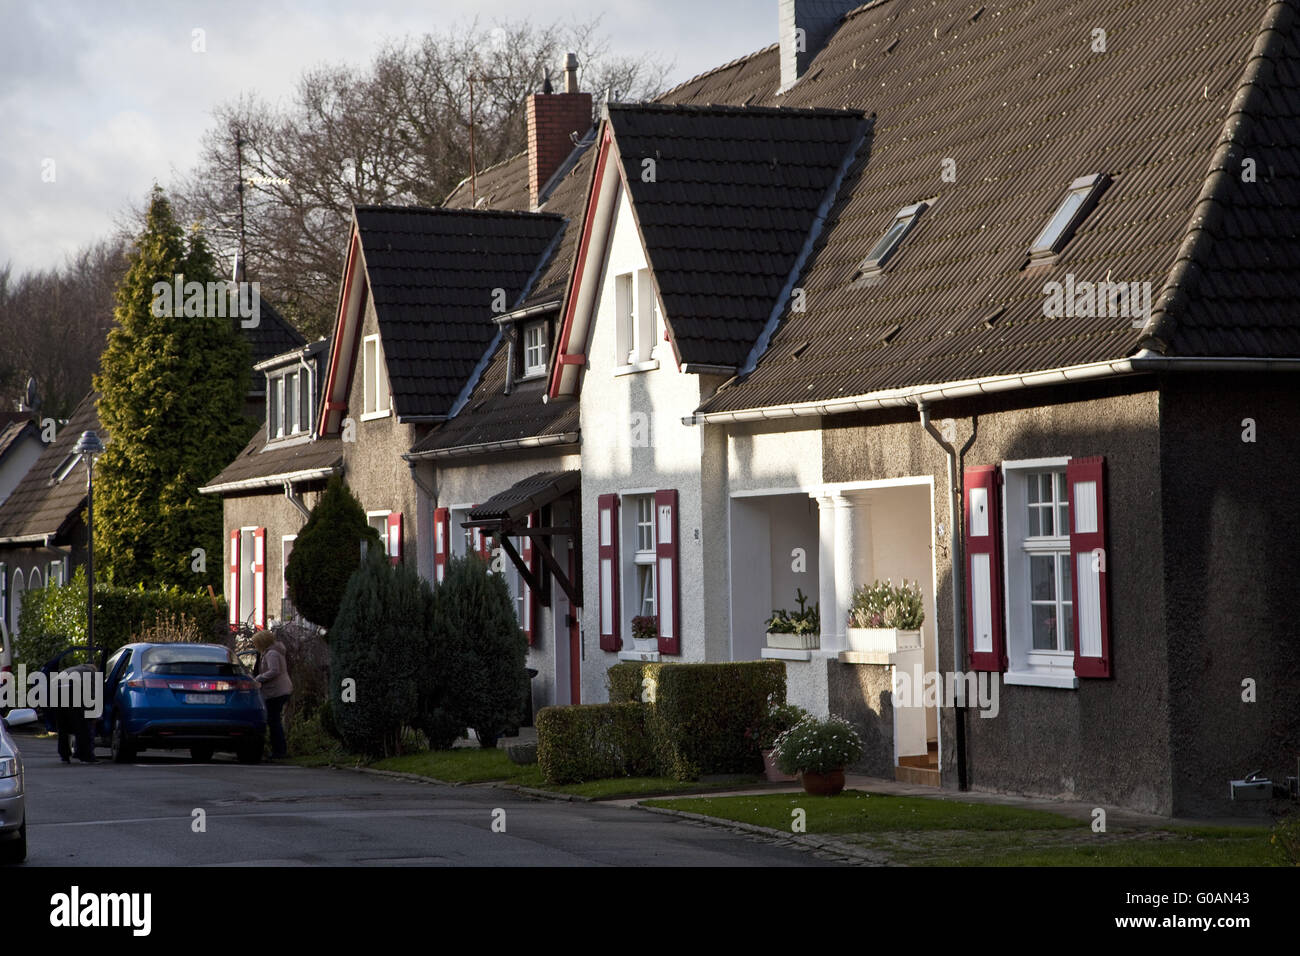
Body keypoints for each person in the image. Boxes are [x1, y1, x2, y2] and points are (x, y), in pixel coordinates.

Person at [252, 630, 292, 759]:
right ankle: (279, 749)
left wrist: (259, 678)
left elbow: (274, 671)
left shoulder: (272, 653)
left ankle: (279, 750)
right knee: (274, 720)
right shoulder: (273, 652)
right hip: (279, 690)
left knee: (273, 721)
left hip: (276, 691)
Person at [54, 662, 98, 764]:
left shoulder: (73, 668)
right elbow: (92, 696)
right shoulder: (91, 673)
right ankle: (86, 757)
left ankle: (64, 756)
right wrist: (93, 715)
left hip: (56, 688)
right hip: (73, 688)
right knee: (81, 725)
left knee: (63, 726)